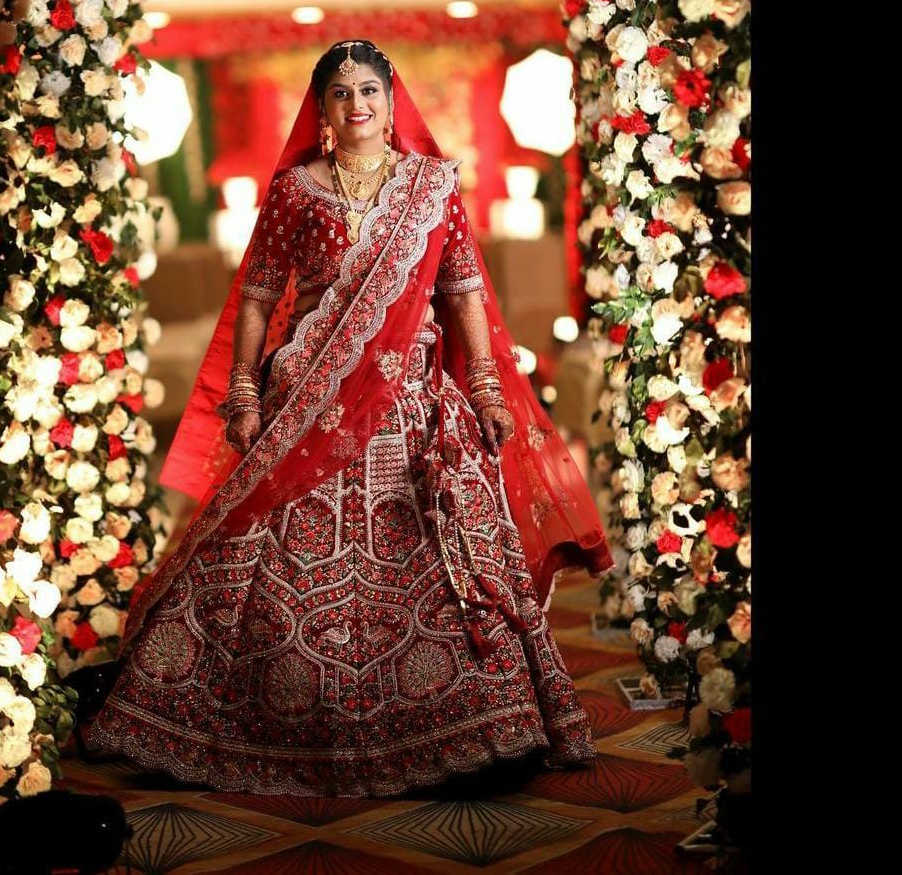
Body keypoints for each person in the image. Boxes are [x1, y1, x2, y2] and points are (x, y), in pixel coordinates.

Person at [88, 40, 614, 797]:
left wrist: (486, 388)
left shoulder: (432, 185)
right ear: (323, 109)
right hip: (308, 402)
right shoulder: (296, 189)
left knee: (445, 556)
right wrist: (245, 393)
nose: (357, 104)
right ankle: (252, 721)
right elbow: (259, 296)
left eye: (369, 90)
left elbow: (464, 289)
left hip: (410, 403)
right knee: (259, 554)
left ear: (391, 102)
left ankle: (471, 725)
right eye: (341, 93)